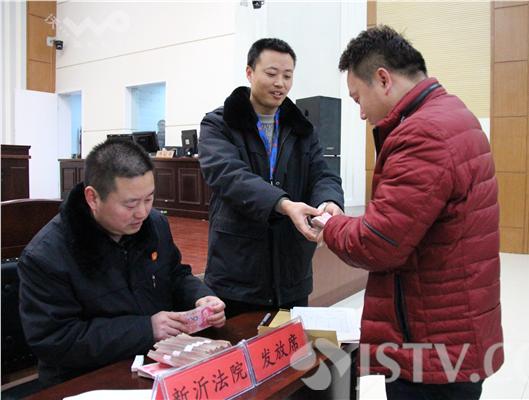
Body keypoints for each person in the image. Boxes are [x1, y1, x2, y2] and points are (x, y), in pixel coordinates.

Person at [314, 26, 504, 399]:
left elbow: (379, 243)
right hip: (452, 330)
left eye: (358, 98)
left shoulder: (423, 134)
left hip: (431, 348)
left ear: (383, 79)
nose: (361, 113)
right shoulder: (451, 114)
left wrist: (329, 226)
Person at [18, 140, 226, 386]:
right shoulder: (47, 255)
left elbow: (175, 275)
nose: (142, 212)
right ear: (93, 198)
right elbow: (56, 339)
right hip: (86, 379)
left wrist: (201, 298)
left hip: (156, 362)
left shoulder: (155, 225)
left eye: (149, 199)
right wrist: (146, 329)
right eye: (130, 204)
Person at [199, 38, 344, 318]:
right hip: (237, 271)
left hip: (291, 271)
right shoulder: (219, 124)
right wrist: (285, 204)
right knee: (237, 345)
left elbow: (323, 173)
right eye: (271, 73)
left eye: (287, 76)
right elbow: (229, 176)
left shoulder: (302, 128)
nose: (280, 83)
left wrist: (329, 202)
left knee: (289, 343)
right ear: (249, 72)